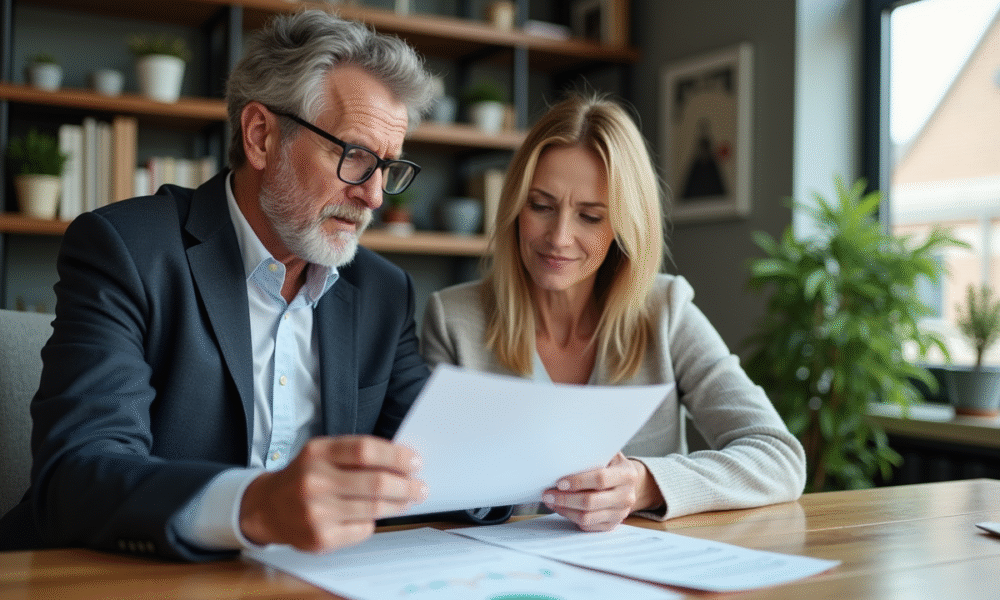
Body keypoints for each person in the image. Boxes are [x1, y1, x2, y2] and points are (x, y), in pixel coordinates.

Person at [0, 10, 442, 561]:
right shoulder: (126, 248)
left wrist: (552, 480)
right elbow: (77, 475)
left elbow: (437, 461)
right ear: (260, 136)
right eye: (354, 156)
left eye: (389, 167)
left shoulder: (382, 292)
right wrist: (253, 505)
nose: (375, 196)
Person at [421, 94, 807, 532]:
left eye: (589, 216)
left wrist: (645, 484)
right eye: (541, 206)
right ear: (514, 207)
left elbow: (779, 457)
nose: (559, 237)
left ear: (625, 226)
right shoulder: (452, 319)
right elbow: (429, 484)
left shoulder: (666, 311)